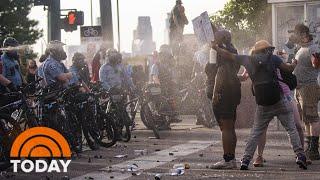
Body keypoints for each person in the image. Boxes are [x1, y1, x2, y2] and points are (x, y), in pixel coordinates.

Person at [211, 40, 307, 170]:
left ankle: (245, 160)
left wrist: (216, 48)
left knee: (256, 132)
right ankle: (300, 155)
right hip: (279, 100)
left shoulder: (247, 59)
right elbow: (289, 68)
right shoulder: (273, 58)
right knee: (291, 129)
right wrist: (294, 63)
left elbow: (228, 55)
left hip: (263, 104)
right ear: (267, 50)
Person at [252, 51, 306, 167]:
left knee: (297, 125)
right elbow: (246, 75)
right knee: (262, 128)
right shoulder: (255, 62)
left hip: (286, 96)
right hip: (267, 98)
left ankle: (301, 154)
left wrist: (291, 63)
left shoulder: (276, 60)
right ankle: (259, 156)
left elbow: (290, 70)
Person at [205, 30, 242, 169]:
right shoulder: (233, 51)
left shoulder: (219, 52)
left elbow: (220, 72)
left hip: (222, 93)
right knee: (230, 127)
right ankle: (231, 159)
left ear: (222, 38)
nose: (213, 38)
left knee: (225, 128)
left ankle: (228, 160)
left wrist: (215, 93)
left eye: (216, 36)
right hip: (232, 92)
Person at [293, 24, 320, 161]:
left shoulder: (313, 48)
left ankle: (314, 149)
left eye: (296, 34)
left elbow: (316, 64)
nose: (294, 36)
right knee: (306, 119)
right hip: (300, 88)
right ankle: (309, 147)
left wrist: (317, 60)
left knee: (313, 117)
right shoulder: (301, 48)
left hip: (309, 87)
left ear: (303, 34)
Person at [150, 44, 181, 124]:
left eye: (168, 56)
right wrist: (159, 86)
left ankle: (172, 116)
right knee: (162, 101)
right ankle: (160, 118)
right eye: (165, 55)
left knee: (175, 96)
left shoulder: (169, 66)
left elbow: (173, 78)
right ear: (161, 56)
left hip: (167, 87)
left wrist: (174, 83)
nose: (166, 58)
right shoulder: (155, 66)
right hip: (157, 88)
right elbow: (155, 77)